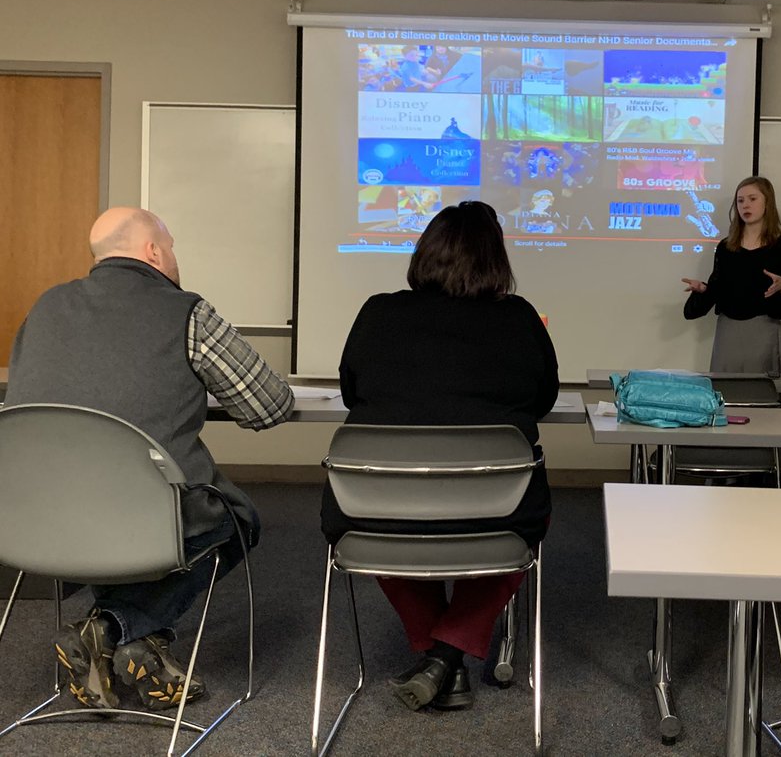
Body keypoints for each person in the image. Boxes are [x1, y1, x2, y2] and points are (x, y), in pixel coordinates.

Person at [5, 207, 294, 711]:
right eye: (173, 246)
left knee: (119, 508)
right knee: (235, 516)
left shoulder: (45, 306)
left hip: (35, 522)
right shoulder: (187, 312)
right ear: (154, 252)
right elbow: (269, 408)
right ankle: (115, 629)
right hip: (144, 519)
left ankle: (141, 646)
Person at [321, 200, 558, 712]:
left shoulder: (378, 312)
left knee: (372, 506)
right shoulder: (518, 319)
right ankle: (448, 653)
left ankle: (437, 655)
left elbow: (352, 392)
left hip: (379, 513)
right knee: (517, 522)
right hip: (496, 515)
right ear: (497, 260)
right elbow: (543, 400)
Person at [682, 176, 781, 374]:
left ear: (767, 203)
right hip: (728, 331)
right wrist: (703, 289)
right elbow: (718, 289)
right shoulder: (726, 247)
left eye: (752, 199)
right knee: (727, 390)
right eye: (740, 200)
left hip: (763, 330)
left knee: (760, 393)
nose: (745, 205)